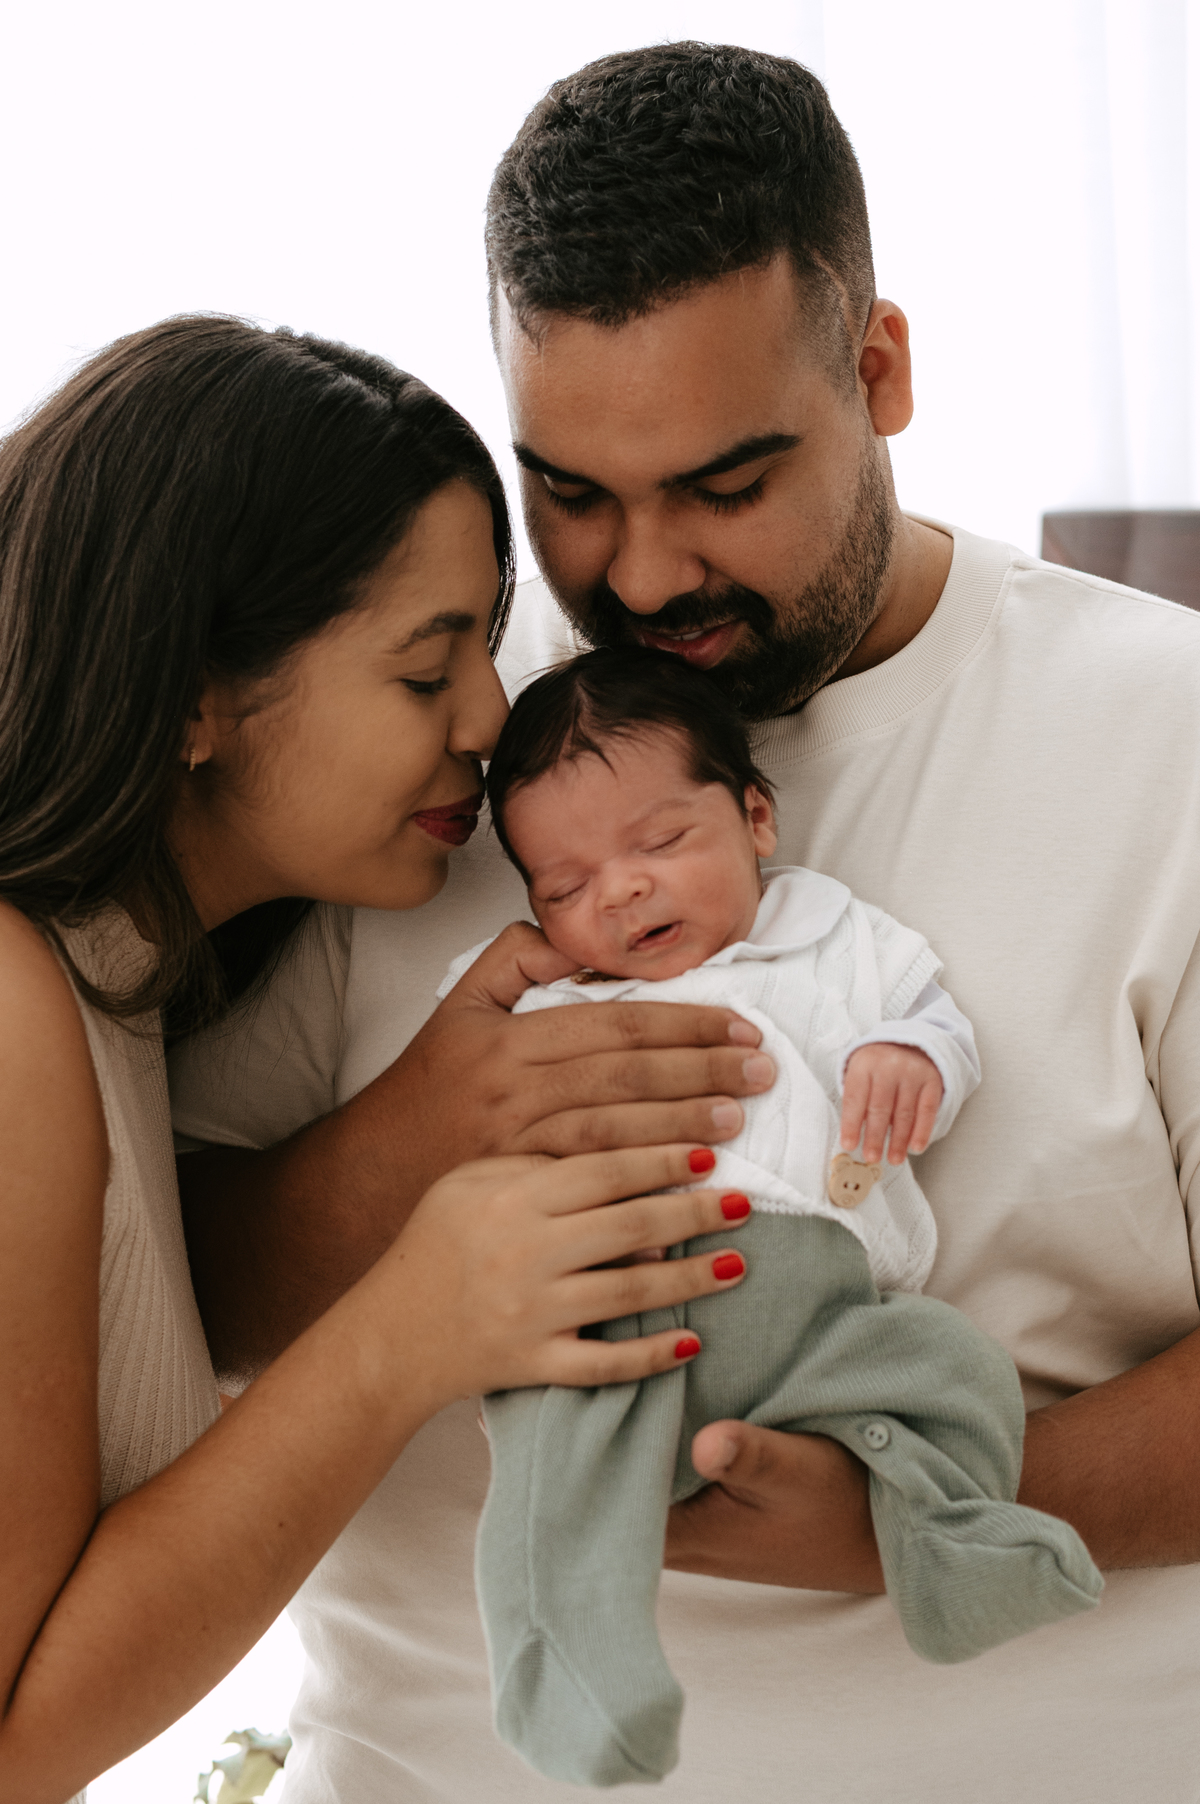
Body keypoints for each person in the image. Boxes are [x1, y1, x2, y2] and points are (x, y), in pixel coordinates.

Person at [170, 43, 1200, 1804]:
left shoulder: (1163, 737)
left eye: (726, 485)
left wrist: (934, 1506)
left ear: (878, 371)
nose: (640, 578)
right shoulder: (425, 738)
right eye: (572, 492)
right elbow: (141, 1288)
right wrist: (398, 1155)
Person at [0, 314, 755, 1804]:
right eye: (425, 672)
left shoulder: (124, 995)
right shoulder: (14, 1000)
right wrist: (411, 1323)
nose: (491, 719)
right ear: (197, 697)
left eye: (487, 644)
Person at [466, 645, 1100, 1787]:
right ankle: (563, 1662)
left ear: (756, 817)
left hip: (820, 1304)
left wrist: (911, 1056)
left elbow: (934, 1018)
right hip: (614, 1296)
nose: (619, 891)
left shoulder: (833, 936)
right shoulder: (556, 1000)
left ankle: (950, 1543)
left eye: (660, 842)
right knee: (548, 1467)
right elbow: (479, 1126)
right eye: (564, 887)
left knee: (955, 1370)